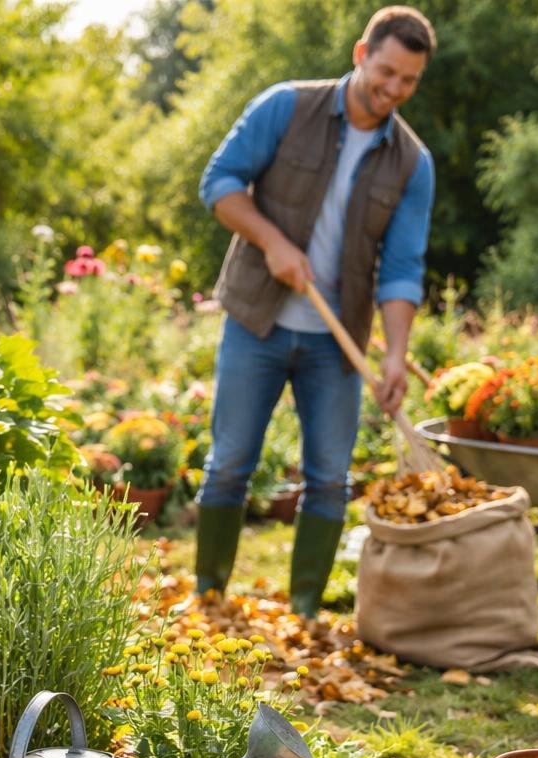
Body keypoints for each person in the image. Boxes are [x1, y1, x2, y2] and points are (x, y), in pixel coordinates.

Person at [193, 6, 436, 616]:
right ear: (361, 54)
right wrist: (272, 241)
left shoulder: (412, 163)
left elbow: (403, 268)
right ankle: (210, 597)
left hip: (337, 341)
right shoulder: (286, 106)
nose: (393, 88)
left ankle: (304, 611)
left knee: (330, 478)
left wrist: (397, 355)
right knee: (229, 466)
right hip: (259, 320)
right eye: (386, 71)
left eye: (408, 80)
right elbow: (219, 183)